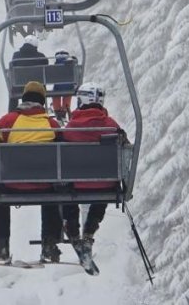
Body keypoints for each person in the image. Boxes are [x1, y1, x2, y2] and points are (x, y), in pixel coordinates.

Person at [0, 81, 63, 264]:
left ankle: (1, 245)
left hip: (12, 185)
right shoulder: (51, 123)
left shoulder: (9, 121)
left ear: (23, 99)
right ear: (43, 101)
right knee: (55, 195)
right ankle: (49, 244)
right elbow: (64, 143)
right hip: (44, 186)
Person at [61, 83, 124, 259]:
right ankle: (89, 233)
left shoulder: (71, 128)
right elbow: (123, 145)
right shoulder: (111, 125)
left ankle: (73, 232)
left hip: (76, 184)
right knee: (102, 188)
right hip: (106, 183)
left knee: (65, 193)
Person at [50, 50, 78, 123]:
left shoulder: (55, 66)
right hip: (69, 87)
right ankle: (65, 109)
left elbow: (51, 78)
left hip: (57, 88)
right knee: (68, 93)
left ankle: (58, 111)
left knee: (55, 92)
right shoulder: (72, 64)